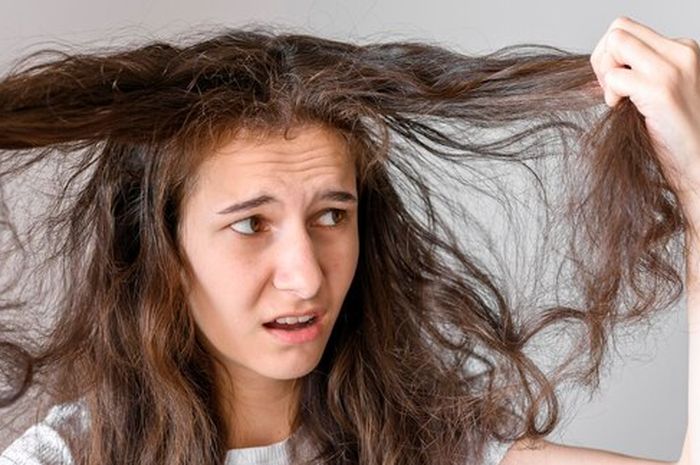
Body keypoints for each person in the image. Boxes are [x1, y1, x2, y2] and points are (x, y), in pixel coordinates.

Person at [0, 14, 697, 465]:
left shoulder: (431, 449)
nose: (306, 277)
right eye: (251, 224)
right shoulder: (62, 457)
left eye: (332, 214)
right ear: (160, 249)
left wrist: (695, 183)